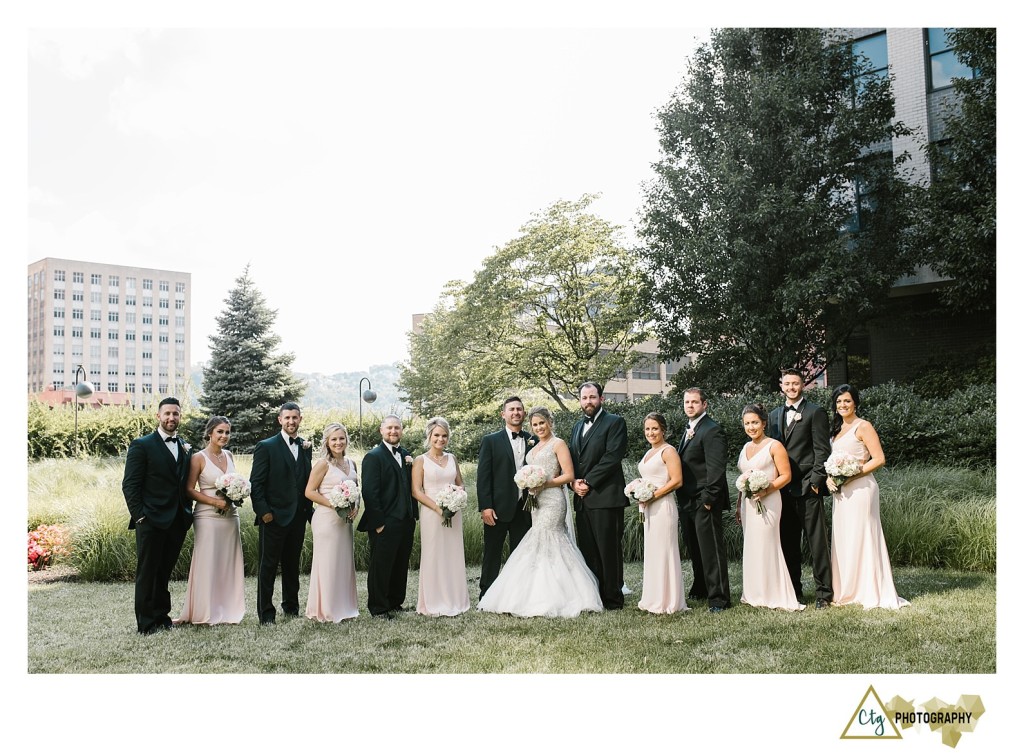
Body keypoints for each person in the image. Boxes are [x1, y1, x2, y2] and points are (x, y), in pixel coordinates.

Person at [478, 407, 602, 617]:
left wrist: (545, 483)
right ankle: (531, 593)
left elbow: (569, 475)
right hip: (536, 502)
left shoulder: (558, 444)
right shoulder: (533, 446)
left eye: (542, 423)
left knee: (550, 540)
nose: (539, 427)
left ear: (549, 422)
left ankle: (563, 595)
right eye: (535, 424)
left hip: (553, 501)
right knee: (538, 543)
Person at [828, 385, 909, 610]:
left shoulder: (863, 426)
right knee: (845, 537)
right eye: (839, 402)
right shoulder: (836, 429)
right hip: (841, 492)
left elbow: (879, 459)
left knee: (863, 535)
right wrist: (830, 478)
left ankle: (869, 589)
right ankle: (847, 590)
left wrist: (853, 473)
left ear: (855, 403)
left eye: (847, 401)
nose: (843, 405)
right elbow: (833, 460)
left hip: (862, 488)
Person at [121, 397, 193, 634]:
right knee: (148, 572)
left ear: (180, 416)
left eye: (176, 414)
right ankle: (146, 622)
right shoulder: (141, 445)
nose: (171, 418)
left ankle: (162, 617)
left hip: (177, 521)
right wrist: (140, 517)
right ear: (158, 417)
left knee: (164, 572)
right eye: (167, 414)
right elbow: (130, 485)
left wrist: (187, 512)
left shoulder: (183, 445)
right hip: (150, 520)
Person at [768, 369, 833, 609]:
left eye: (796, 383)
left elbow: (822, 452)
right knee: (788, 544)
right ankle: (794, 591)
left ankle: (824, 594)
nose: (791, 387)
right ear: (781, 385)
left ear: (803, 385)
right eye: (787, 384)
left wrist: (815, 483)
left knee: (817, 544)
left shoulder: (815, 413)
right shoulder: (774, 415)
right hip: (782, 491)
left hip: (807, 488)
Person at [175, 416, 245, 625]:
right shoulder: (198, 457)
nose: (224, 436)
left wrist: (237, 494)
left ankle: (227, 609)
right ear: (210, 433)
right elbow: (188, 489)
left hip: (231, 516)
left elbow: (234, 483)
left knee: (227, 563)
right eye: (220, 432)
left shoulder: (229, 455)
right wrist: (214, 502)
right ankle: (204, 611)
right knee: (208, 562)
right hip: (207, 516)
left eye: (227, 432)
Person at [735, 404, 805, 611]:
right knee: (753, 546)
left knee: (767, 544)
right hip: (749, 504)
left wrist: (767, 489)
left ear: (764, 423)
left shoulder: (775, 446)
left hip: (769, 501)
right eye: (747, 423)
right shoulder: (745, 448)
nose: (751, 427)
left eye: (755, 422)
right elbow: (743, 479)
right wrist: (740, 505)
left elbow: (786, 476)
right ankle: (755, 592)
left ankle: (773, 592)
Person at [250, 402, 313, 625]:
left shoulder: (306, 447)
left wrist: (309, 512)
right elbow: (256, 484)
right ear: (280, 420)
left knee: (292, 564)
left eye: (295, 418)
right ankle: (266, 613)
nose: (291, 422)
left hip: (298, 516)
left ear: (300, 419)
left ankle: (291, 606)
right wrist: (264, 512)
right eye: (287, 418)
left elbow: (306, 480)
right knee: (268, 566)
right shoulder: (266, 446)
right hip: (273, 517)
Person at [569, 382, 629, 610]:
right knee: (589, 551)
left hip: (606, 497)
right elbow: (574, 460)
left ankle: (613, 599)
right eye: (584, 398)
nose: (588, 402)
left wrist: (589, 481)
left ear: (601, 399)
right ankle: (594, 597)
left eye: (592, 397)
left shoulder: (615, 422)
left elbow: (613, 456)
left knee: (608, 550)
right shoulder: (576, 427)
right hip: (582, 499)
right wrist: (573, 483)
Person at [677, 387, 731, 612]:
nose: (690, 405)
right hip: (687, 500)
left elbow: (716, 469)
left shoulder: (711, 430)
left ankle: (719, 598)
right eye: (687, 402)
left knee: (711, 550)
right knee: (696, 548)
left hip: (704, 499)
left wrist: (709, 498)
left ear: (704, 404)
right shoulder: (690, 428)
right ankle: (701, 587)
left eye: (695, 402)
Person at [356, 415, 416, 619]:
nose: (393, 431)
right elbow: (370, 493)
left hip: (406, 520)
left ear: (402, 430)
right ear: (381, 430)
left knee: (400, 563)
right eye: (389, 428)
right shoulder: (373, 456)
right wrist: (379, 523)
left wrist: (412, 515)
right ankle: (378, 607)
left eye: (397, 428)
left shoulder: (406, 455)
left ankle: (394, 602)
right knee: (381, 565)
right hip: (385, 522)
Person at [412, 417, 470, 616]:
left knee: (452, 554)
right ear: (429, 436)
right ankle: (433, 601)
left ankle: (454, 599)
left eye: (444, 435)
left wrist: (456, 498)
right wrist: (438, 508)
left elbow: (460, 483)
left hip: (453, 512)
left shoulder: (452, 458)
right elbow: (417, 491)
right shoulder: (420, 460)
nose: (440, 439)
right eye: (436, 435)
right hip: (431, 513)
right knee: (434, 554)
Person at [476, 397, 533, 598]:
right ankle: (487, 593)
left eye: (519, 409)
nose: (516, 412)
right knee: (492, 552)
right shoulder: (490, 441)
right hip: (497, 508)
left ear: (524, 414)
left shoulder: (533, 439)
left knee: (521, 554)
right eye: (511, 409)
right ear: (503, 414)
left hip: (525, 507)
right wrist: (485, 507)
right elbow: (483, 476)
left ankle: (517, 594)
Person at [304, 423, 359, 622]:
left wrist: (356, 507)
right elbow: (309, 492)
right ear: (327, 442)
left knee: (343, 563)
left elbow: (356, 489)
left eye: (341, 438)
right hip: (327, 520)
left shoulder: (351, 463)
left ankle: (344, 607)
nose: (338, 442)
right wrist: (334, 505)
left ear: (346, 440)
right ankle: (326, 609)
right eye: (334, 439)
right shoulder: (322, 464)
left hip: (345, 522)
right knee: (328, 563)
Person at [636, 413, 688, 615]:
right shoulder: (649, 452)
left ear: (663, 430)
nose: (651, 433)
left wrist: (652, 496)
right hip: (649, 507)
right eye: (648, 429)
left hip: (663, 506)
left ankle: (669, 600)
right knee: (653, 552)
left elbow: (676, 481)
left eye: (655, 428)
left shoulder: (668, 451)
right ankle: (653, 597)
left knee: (665, 551)